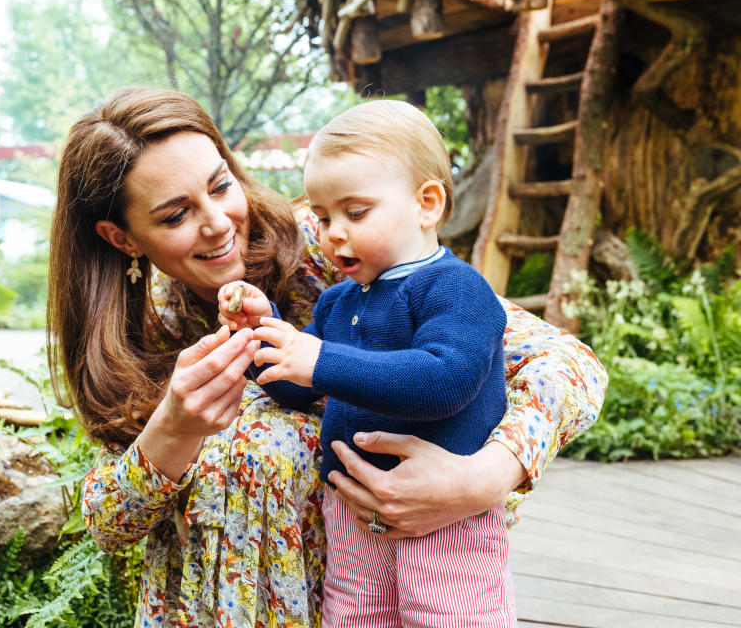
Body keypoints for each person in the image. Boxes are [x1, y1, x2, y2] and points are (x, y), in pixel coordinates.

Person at [48, 87, 606, 628]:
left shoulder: (339, 247)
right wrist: (172, 430)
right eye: (176, 216)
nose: (218, 223)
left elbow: (569, 363)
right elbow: (108, 523)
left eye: (221, 186)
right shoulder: (139, 335)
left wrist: (485, 478)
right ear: (122, 239)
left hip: (393, 576)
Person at [217, 100, 514, 627]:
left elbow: (446, 380)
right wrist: (262, 337)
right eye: (324, 216)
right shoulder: (338, 302)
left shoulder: (456, 288)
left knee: (447, 616)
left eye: (356, 213)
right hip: (351, 512)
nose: (334, 233)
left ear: (426, 204)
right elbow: (295, 387)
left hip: (441, 516)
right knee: (355, 615)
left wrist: (322, 361)